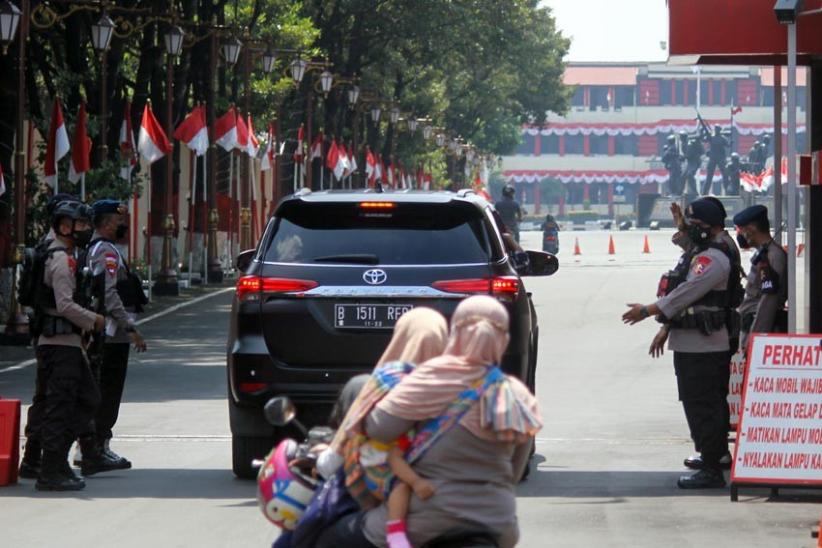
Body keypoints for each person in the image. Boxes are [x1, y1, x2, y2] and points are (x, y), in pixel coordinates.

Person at [315, 296, 541, 548]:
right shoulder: (516, 395)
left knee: (328, 540)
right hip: (499, 523)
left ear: (454, 333)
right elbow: (514, 472)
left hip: (429, 520)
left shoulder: (432, 378)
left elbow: (379, 430)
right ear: (503, 339)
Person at [623, 199, 735, 489]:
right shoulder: (704, 251)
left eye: (695, 224)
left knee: (704, 406)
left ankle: (711, 467)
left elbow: (685, 293)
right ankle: (715, 455)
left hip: (704, 345)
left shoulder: (714, 258)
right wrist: (665, 327)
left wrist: (648, 310)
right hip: (692, 342)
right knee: (700, 403)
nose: (690, 229)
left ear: (709, 226)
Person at [23, 200, 104, 490]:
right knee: (65, 404)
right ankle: (51, 468)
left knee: (76, 400)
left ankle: (47, 462)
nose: (85, 230)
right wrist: (94, 320)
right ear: (65, 226)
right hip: (61, 345)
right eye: (81, 225)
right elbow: (65, 304)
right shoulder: (60, 259)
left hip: (61, 343)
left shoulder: (60, 252)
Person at [77, 199, 147, 471]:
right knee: (107, 389)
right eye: (118, 222)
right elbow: (108, 293)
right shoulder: (104, 251)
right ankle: (95, 446)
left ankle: (93, 446)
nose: (122, 226)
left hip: (108, 329)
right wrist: (130, 328)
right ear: (106, 223)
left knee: (103, 388)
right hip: (111, 332)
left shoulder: (100, 249)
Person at [733, 205, 788, 351]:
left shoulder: (773, 256)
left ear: (751, 229)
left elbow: (767, 302)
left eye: (742, 230)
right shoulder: (763, 253)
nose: (740, 235)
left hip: (758, 332)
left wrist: (754, 340)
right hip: (748, 327)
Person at [703, 125, 729, 195]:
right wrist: (706, 133)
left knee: (725, 175)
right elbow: (704, 140)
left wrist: (730, 142)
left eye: (717, 129)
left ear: (719, 130)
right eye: (715, 129)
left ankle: (728, 191)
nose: (716, 130)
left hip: (720, 158)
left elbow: (727, 145)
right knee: (709, 176)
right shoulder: (711, 137)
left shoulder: (723, 138)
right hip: (713, 158)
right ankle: (705, 192)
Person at [683, 133, 702, 200]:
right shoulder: (684, 144)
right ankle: (680, 192)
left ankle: (695, 191)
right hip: (689, 162)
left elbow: (701, 152)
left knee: (690, 174)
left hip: (695, 162)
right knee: (683, 176)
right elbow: (687, 154)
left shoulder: (693, 143)